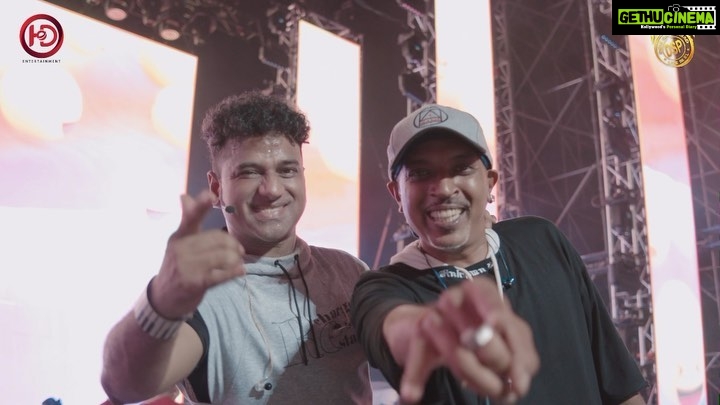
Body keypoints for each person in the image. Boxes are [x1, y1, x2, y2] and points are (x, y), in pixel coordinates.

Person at [350, 103, 649, 404]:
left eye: (461, 168)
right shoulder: (383, 287)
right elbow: (394, 329)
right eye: (421, 172)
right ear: (396, 194)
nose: (442, 188)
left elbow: (619, 387)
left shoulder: (542, 241)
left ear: (490, 183)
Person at [100, 91, 372, 404]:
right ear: (217, 188)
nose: (271, 189)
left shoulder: (349, 271)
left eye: (287, 170)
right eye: (250, 172)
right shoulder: (200, 297)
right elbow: (124, 385)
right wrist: (161, 302)